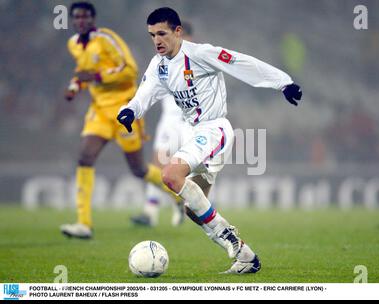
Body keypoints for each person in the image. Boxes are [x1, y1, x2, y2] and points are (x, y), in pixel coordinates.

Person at [118, 7, 302, 273]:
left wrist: (282, 83)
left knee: (170, 175)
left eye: (162, 33)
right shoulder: (159, 66)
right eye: (151, 35)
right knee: (193, 209)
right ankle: (246, 256)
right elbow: (146, 92)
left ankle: (227, 234)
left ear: (178, 32)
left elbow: (240, 62)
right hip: (198, 134)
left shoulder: (200, 54)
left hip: (215, 129)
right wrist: (130, 110)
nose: (157, 40)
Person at [60, 2, 183, 239]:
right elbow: (82, 71)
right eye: (76, 18)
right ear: (73, 21)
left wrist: (97, 76)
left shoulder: (107, 39)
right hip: (99, 111)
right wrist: (75, 87)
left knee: (138, 169)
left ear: (93, 19)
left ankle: (179, 198)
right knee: (85, 157)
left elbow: (130, 70)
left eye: (85, 17)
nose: (81, 21)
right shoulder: (74, 44)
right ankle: (84, 223)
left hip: (125, 110)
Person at [131, 22, 194, 227]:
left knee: (187, 170)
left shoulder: (199, 60)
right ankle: (150, 213)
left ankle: (185, 209)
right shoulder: (162, 60)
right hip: (169, 121)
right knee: (157, 166)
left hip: (191, 122)